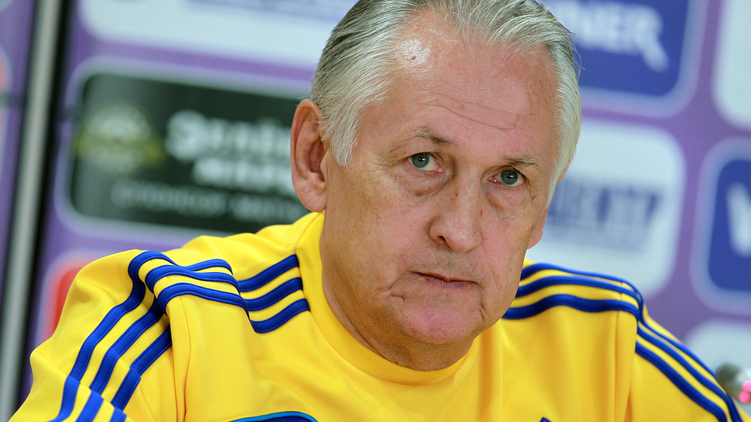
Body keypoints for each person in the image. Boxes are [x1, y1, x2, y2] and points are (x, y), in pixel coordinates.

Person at [12, 0, 750, 421]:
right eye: (423, 163)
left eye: (508, 179)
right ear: (315, 157)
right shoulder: (169, 330)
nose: (459, 229)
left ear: (543, 206)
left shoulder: (608, 352)